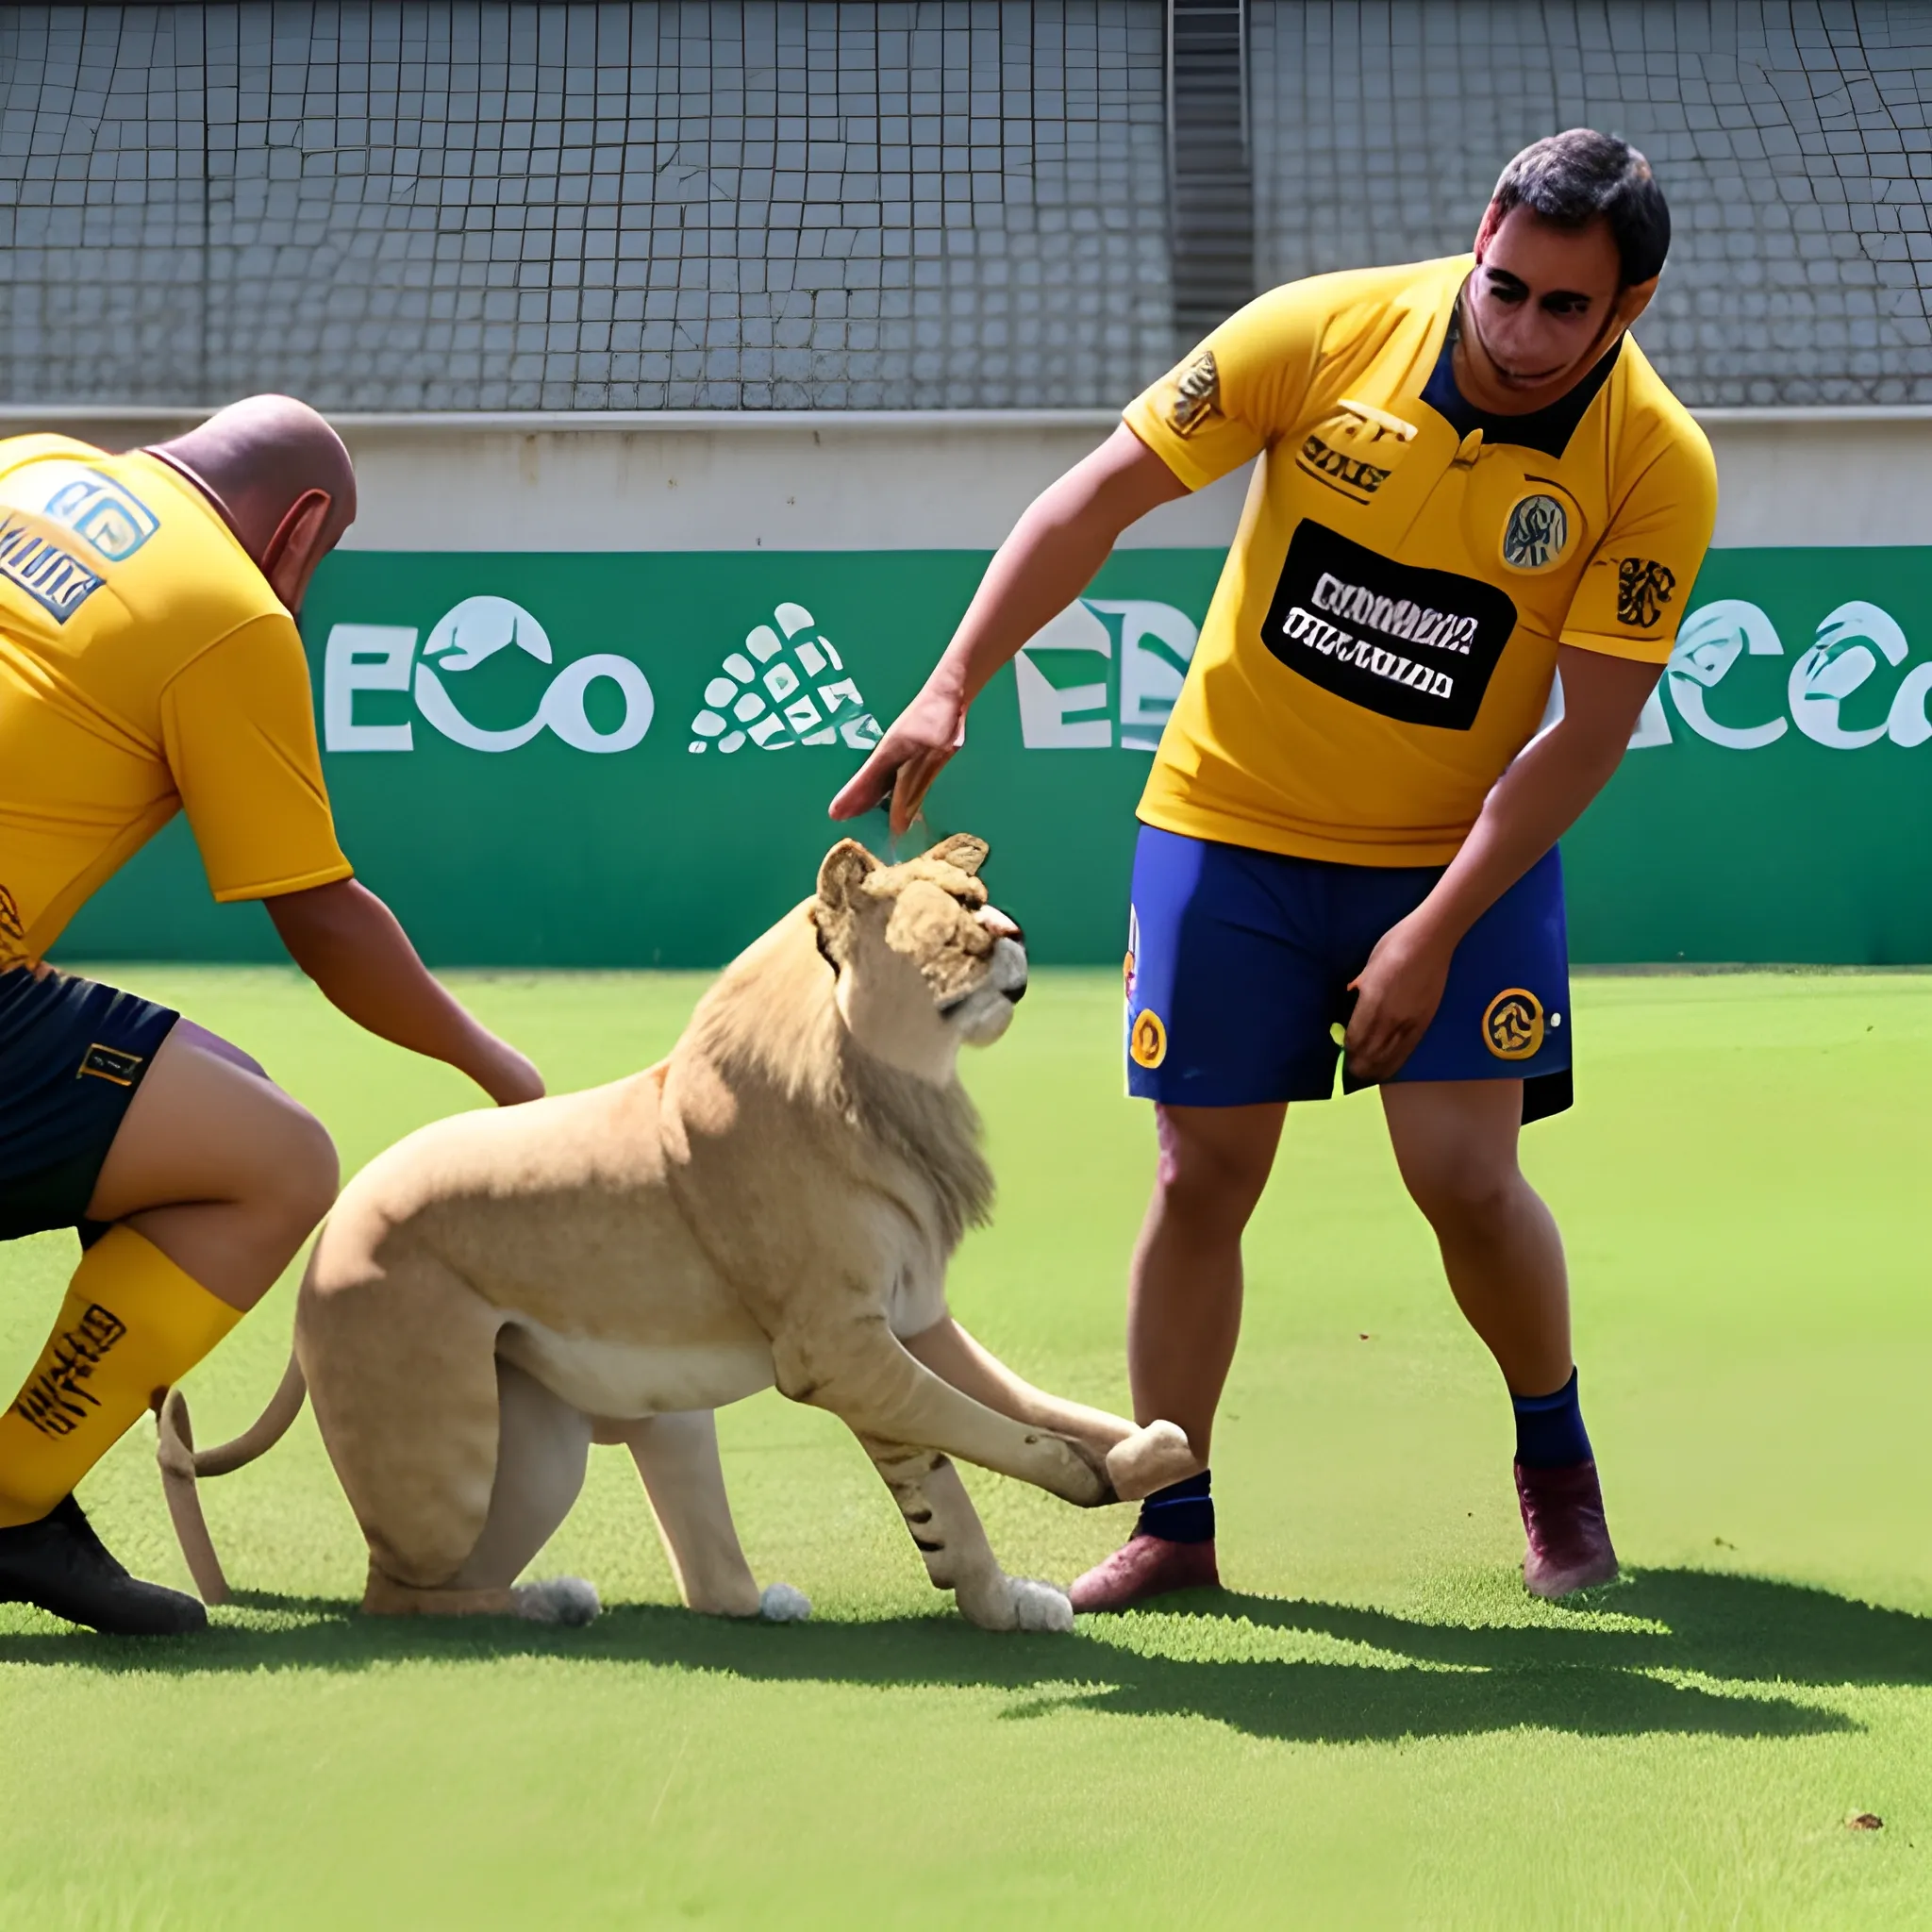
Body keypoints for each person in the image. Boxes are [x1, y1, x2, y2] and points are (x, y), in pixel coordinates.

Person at [831, 131, 1716, 1610]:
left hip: (1454, 859)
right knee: (1200, 1175)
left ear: (1625, 313)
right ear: (1481, 230)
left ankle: (1554, 1467)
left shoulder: (1654, 466)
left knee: (1466, 1181)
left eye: (1569, 310)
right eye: (1508, 287)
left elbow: (1587, 734)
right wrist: (952, 681)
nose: (1522, 330)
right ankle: (1175, 1520)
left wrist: (1433, 932)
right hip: (1226, 828)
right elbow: (1095, 499)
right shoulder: (1319, 331)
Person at [0, 396, 543, 1635]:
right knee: (278, 1162)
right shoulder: (227, 610)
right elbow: (322, 918)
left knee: (217, 1092)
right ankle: (13, 1495)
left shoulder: (26, 464)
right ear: (300, 528)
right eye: (324, 564)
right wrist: (503, 1074)